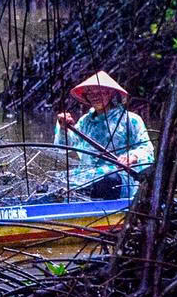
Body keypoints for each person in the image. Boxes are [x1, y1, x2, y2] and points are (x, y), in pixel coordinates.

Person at [53, 71, 153, 201]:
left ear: (111, 93)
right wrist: (63, 129)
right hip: (87, 175)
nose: (95, 96)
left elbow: (147, 148)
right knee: (56, 183)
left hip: (119, 177)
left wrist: (132, 156)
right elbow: (62, 148)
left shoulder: (131, 119)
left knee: (109, 180)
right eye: (91, 93)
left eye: (100, 92)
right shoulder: (85, 121)